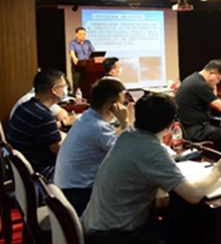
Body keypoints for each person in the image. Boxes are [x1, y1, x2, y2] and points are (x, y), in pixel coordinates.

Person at [81, 93, 221, 244]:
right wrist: (218, 172)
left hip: (97, 235)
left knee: (185, 224)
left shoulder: (128, 134)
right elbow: (193, 195)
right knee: (198, 242)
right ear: (170, 124)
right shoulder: (151, 150)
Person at [54, 79, 133, 215]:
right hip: (80, 196)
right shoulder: (99, 127)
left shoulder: (86, 118)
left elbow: (112, 140)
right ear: (112, 106)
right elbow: (127, 155)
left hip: (66, 190)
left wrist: (124, 125)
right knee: (135, 193)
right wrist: (125, 122)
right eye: (122, 102)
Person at [175, 60, 221, 154]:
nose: (218, 82)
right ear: (211, 73)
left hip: (189, 128)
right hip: (197, 131)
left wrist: (213, 86)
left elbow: (213, 99)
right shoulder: (200, 85)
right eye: (218, 79)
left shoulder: (193, 79)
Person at [7, 69, 68, 179]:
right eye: (63, 87)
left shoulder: (24, 106)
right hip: (41, 173)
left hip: (23, 172)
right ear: (54, 90)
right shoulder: (43, 115)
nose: (65, 90)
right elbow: (60, 150)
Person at [10, 87, 74, 128]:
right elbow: (59, 145)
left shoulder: (27, 102)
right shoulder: (38, 108)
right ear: (54, 90)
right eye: (63, 86)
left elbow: (61, 113)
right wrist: (64, 122)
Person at [68, 26, 95, 92]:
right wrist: (75, 59)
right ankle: (75, 95)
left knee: (87, 82)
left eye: (84, 34)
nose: (83, 36)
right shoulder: (72, 43)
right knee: (77, 82)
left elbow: (94, 52)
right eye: (81, 34)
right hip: (77, 66)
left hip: (87, 66)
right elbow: (72, 53)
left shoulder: (88, 42)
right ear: (76, 34)